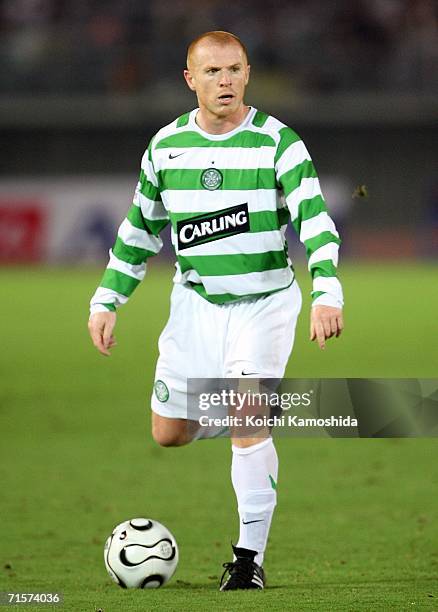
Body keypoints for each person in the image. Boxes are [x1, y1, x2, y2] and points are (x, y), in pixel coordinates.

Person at [88, 30, 344, 591]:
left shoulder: (279, 143)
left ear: (247, 73)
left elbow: (316, 224)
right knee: (168, 432)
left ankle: (248, 560)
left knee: (247, 422)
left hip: (264, 303)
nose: (224, 81)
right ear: (191, 79)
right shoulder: (165, 148)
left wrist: (328, 292)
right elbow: (138, 232)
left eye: (233, 70)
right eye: (212, 72)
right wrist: (107, 299)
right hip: (196, 306)